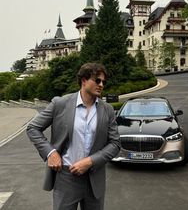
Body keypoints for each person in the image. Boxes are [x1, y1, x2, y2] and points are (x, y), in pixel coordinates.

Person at [27, 62, 120, 210]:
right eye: (97, 80)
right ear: (84, 80)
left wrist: (90, 161)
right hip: (65, 177)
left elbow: (115, 144)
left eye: (103, 81)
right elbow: (33, 128)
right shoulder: (60, 104)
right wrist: (51, 153)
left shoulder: (107, 110)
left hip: (94, 178)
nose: (101, 84)